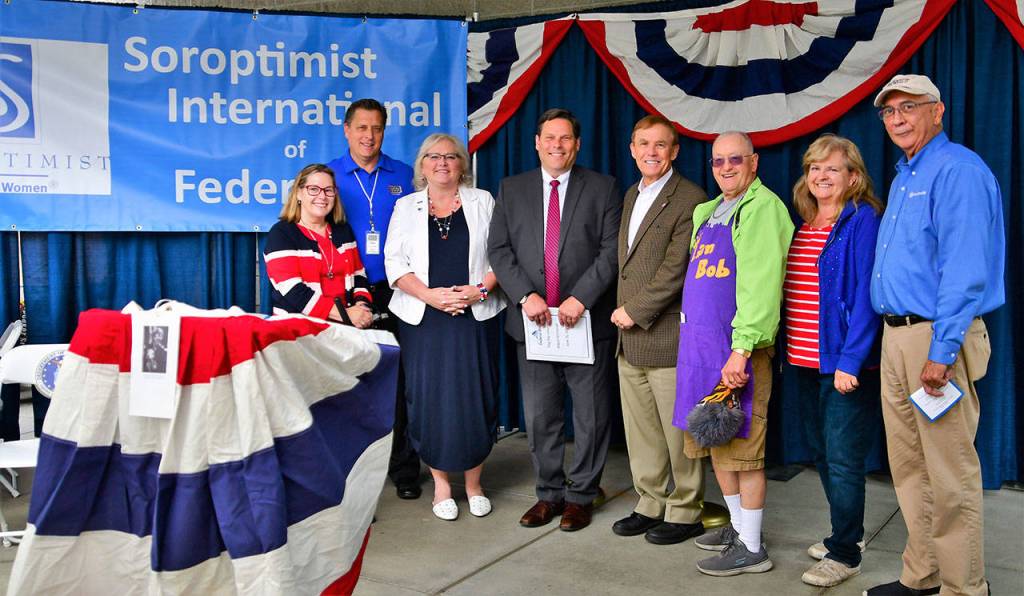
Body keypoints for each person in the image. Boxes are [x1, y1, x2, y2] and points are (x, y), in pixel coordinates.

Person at [865, 74, 1004, 596]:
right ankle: (922, 575)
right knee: (910, 467)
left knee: (949, 472)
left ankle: (965, 588)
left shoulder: (958, 170)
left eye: (909, 107)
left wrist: (942, 352)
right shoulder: (906, 174)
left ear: (938, 111)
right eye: (889, 111)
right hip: (899, 337)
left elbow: (965, 270)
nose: (897, 119)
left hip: (936, 339)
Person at [488, 108, 621, 532]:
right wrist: (525, 296)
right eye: (550, 137)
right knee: (541, 416)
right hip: (534, 325)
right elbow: (500, 250)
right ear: (537, 142)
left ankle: (581, 496)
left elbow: (611, 251)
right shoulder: (512, 189)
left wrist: (581, 298)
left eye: (566, 138)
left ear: (577, 144)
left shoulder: (603, 188)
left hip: (586, 322)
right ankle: (548, 494)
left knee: (590, 415)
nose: (557, 145)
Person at [673, 131, 793, 576]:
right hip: (699, 351)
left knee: (743, 450)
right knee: (714, 446)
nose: (726, 167)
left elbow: (761, 287)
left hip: (735, 351)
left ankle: (753, 547)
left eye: (735, 160)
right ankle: (739, 529)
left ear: (754, 162)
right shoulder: (707, 212)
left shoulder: (763, 209)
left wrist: (741, 350)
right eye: (718, 161)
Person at [384, 134, 507, 521]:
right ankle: (440, 484)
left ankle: (473, 484)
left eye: (451, 157)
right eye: (433, 157)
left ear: (461, 164)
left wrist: (478, 292)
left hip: (475, 316)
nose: (442, 163)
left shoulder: (482, 201)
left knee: (476, 396)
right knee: (429, 399)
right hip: (425, 319)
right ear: (422, 166)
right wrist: (431, 297)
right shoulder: (405, 206)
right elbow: (394, 263)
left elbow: (503, 256)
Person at [784, 134, 883, 587]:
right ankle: (847, 533)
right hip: (802, 360)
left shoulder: (862, 221)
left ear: (853, 177)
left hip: (841, 365)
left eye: (832, 169)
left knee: (843, 459)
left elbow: (867, 294)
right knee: (822, 453)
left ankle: (845, 554)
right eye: (814, 168)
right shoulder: (805, 221)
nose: (821, 176)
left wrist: (851, 359)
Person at [610, 115, 707, 545]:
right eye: (643, 143)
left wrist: (634, 309)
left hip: (664, 333)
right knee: (642, 429)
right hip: (627, 340)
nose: (651, 152)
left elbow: (677, 269)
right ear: (632, 148)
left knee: (677, 431)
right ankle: (650, 501)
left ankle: (685, 509)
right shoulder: (633, 194)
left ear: (674, 151)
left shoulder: (690, 197)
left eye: (661, 145)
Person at [326, 99, 422, 500]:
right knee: (348, 381)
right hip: (347, 291)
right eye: (361, 128)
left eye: (377, 128)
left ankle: (403, 469)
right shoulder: (328, 175)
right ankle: (348, 475)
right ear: (347, 130)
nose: (369, 136)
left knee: (401, 381)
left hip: (399, 287)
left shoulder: (403, 174)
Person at [264, 164, 374, 328]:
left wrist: (362, 309)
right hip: (298, 331)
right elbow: (294, 291)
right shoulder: (281, 233)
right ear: (299, 193)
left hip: (347, 329)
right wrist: (346, 315)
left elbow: (359, 275)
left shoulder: (342, 231)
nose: (322, 196)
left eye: (328, 190)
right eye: (314, 189)